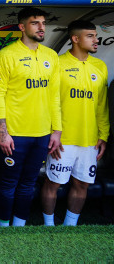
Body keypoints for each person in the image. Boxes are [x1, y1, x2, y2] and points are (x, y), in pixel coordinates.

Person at [0, 7, 62, 227]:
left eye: (43, 23)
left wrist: (56, 131)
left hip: (42, 134)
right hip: (15, 135)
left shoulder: (51, 55)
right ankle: (4, 227)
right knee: (9, 183)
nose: (42, 27)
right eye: (35, 23)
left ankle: (19, 226)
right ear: (22, 27)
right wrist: (3, 132)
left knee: (29, 183)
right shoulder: (6, 55)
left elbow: (55, 97)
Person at [41, 20, 109, 227]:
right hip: (63, 138)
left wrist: (103, 135)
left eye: (95, 35)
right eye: (90, 36)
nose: (96, 40)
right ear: (75, 39)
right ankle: (48, 225)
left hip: (89, 139)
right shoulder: (58, 64)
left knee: (82, 184)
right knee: (53, 183)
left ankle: (70, 226)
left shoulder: (100, 66)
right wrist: (53, 132)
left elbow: (101, 104)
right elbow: (48, 102)